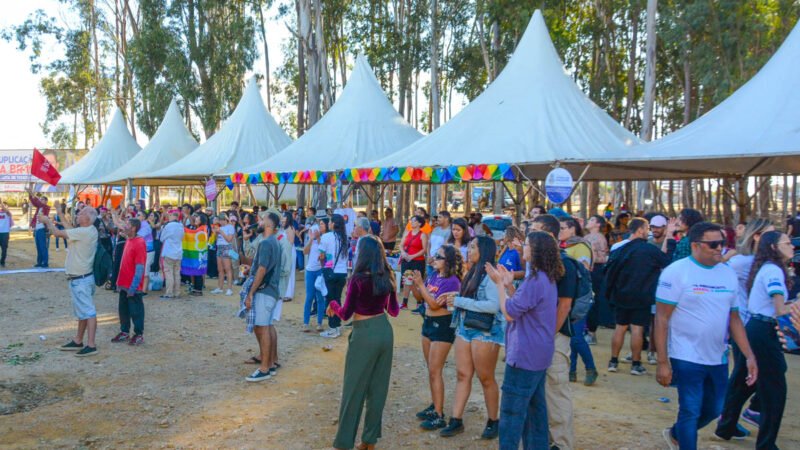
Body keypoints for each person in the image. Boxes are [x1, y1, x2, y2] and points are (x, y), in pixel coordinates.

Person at [654, 222, 757, 450]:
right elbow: (661, 319)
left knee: (715, 408)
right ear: (696, 245)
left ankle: (676, 433)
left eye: (722, 243)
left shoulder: (727, 273)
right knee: (690, 409)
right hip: (685, 354)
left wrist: (749, 355)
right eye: (713, 244)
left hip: (717, 356)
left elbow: (735, 319)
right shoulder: (676, 272)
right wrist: (663, 362)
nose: (719, 248)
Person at [715, 231, 792, 447]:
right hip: (763, 331)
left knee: (743, 381)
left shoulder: (767, 268)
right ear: (775, 248)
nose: (792, 247)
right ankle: (766, 443)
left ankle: (726, 426)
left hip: (756, 329)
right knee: (775, 390)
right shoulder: (773, 271)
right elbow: (779, 310)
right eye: (787, 243)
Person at [487, 230, 562, 450]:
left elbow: (510, 312)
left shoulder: (535, 280)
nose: (522, 247)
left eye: (526, 244)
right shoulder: (544, 278)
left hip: (525, 354)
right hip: (539, 353)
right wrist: (510, 285)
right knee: (535, 411)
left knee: (512, 412)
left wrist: (499, 284)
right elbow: (524, 305)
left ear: (536, 250)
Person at [326, 235, 398, 450]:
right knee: (378, 389)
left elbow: (346, 314)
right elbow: (393, 311)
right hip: (385, 331)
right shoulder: (386, 276)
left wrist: (332, 304)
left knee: (353, 389)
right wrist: (393, 290)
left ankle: (343, 442)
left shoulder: (357, 279)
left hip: (364, 334)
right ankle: (369, 440)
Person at [441, 236, 504, 440]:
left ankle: (493, 421)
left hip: (484, 332)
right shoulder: (472, 272)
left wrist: (460, 302)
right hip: (465, 328)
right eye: (469, 246)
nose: (469, 250)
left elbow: (493, 306)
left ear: (484, 250)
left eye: (473, 247)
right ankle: (456, 420)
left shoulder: (490, 274)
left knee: (486, 378)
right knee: (462, 374)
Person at [530, 214, 579, 450]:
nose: (529, 235)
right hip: (538, 337)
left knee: (556, 390)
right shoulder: (538, 264)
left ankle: (562, 443)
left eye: (535, 230)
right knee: (541, 391)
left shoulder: (565, 264)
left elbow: (565, 304)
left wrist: (548, 335)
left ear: (549, 234)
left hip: (555, 338)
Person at [718, 218, 773, 427]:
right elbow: (719, 277)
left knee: (756, 371)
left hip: (760, 324)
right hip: (744, 323)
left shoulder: (767, 263)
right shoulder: (742, 262)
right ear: (756, 236)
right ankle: (731, 417)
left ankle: (736, 416)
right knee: (744, 372)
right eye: (769, 234)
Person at [604, 218, 670, 376]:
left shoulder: (619, 248)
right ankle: (636, 363)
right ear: (640, 230)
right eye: (646, 228)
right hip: (641, 295)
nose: (648, 231)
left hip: (621, 293)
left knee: (620, 327)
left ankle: (613, 361)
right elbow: (667, 261)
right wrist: (670, 239)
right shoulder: (648, 249)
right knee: (637, 329)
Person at [411, 244, 463, 430]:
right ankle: (435, 405)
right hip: (428, 324)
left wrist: (420, 286)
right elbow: (421, 298)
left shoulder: (452, 281)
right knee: (431, 370)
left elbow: (433, 304)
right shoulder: (433, 275)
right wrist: (413, 284)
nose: (434, 258)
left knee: (435, 370)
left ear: (447, 261)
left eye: (439, 256)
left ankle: (439, 415)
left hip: (442, 327)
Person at [39, 205, 99, 357]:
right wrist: (59, 213)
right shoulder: (88, 230)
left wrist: (47, 221)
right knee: (83, 312)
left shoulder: (83, 232)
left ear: (86, 219)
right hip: (84, 278)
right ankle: (78, 340)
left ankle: (91, 345)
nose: (78, 215)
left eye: (80, 214)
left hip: (80, 280)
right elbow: (70, 229)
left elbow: (57, 232)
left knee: (89, 312)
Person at [243, 212, 282, 382]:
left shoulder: (266, 243)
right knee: (268, 325)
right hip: (271, 290)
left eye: (261, 219)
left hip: (265, 291)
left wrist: (251, 292)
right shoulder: (274, 241)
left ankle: (264, 368)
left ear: (268, 224)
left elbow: (262, 269)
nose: (257, 222)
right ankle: (271, 362)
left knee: (261, 327)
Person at [109, 218, 148, 346]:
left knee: (136, 311)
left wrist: (134, 287)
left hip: (132, 285)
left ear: (134, 228)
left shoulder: (139, 242)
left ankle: (138, 334)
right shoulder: (129, 239)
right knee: (123, 310)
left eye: (128, 225)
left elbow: (140, 267)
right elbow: (118, 224)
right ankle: (124, 331)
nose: (125, 226)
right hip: (123, 283)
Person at [319, 214, 349, 338]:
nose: (329, 224)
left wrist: (323, 263)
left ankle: (333, 328)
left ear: (333, 224)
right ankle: (336, 326)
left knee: (331, 300)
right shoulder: (344, 238)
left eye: (330, 221)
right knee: (337, 299)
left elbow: (322, 256)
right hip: (342, 273)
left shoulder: (326, 237)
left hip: (330, 272)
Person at [583, 215, 609, 345]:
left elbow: (602, 257)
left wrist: (591, 260)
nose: (589, 221)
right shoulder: (587, 237)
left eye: (592, 219)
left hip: (595, 271)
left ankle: (591, 332)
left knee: (592, 301)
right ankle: (587, 329)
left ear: (598, 224)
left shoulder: (598, 238)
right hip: (588, 270)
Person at [303, 217, 328, 332]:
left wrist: (317, 238)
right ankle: (306, 323)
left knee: (320, 297)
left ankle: (319, 323)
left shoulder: (323, 240)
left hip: (319, 271)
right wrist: (310, 239)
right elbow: (305, 252)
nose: (312, 232)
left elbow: (323, 252)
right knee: (309, 297)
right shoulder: (310, 240)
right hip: (310, 271)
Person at [399, 215, 429, 310]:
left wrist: (412, 256)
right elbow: (401, 245)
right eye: (411, 220)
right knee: (406, 280)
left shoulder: (423, 234)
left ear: (419, 223)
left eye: (414, 221)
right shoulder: (407, 232)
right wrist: (403, 252)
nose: (411, 222)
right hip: (406, 260)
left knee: (416, 282)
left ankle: (419, 303)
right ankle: (404, 303)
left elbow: (424, 250)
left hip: (418, 261)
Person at [159, 210, 184, 299]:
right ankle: (177, 292)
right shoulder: (181, 226)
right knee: (176, 273)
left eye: (170, 216)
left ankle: (169, 293)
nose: (168, 217)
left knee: (169, 273)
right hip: (178, 252)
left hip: (169, 252)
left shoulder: (168, 226)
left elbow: (162, 238)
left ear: (173, 217)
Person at [210, 215, 236, 296]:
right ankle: (220, 287)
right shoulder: (219, 227)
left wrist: (220, 231)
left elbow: (229, 239)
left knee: (228, 269)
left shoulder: (230, 227)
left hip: (226, 248)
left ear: (225, 220)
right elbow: (216, 239)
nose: (220, 222)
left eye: (221, 220)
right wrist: (215, 232)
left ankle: (229, 289)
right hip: (219, 247)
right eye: (219, 220)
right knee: (220, 269)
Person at [26, 186, 51, 268]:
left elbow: (37, 201)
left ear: (46, 201)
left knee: (43, 247)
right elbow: (34, 201)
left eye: (42, 199)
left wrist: (31, 192)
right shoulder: (39, 207)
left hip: (42, 229)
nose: (41, 200)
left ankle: (45, 263)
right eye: (41, 199)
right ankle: (39, 262)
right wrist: (30, 194)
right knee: (38, 247)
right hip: (37, 229)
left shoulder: (46, 207)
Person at [0, 201, 13, 268]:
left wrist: (1, 203)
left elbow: (5, 210)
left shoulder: (8, 214)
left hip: (5, 233)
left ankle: (2, 262)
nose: (3, 207)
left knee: (4, 249)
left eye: (5, 205)